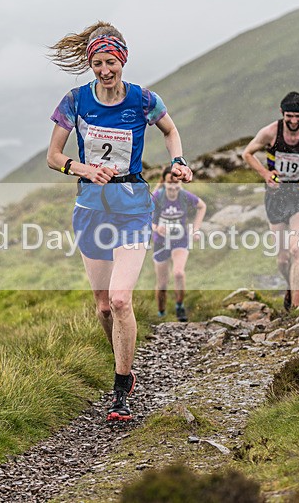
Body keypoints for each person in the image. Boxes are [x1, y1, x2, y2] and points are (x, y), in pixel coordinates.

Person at [46, 21, 192, 421]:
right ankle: (122, 362)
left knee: (120, 298)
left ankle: (120, 387)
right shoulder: (75, 101)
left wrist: (178, 161)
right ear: (90, 64)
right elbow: (54, 157)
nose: (104, 70)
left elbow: (171, 129)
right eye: (97, 63)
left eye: (110, 61)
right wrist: (83, 168)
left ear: (122, 60)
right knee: (102, 307)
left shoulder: (143, 100)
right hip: (91, 209)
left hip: (132, 208)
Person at [242, 91, 299, 311]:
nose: (293, 121)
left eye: (298, 117)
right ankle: (290, 283)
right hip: (276, 196)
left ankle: (295, 308)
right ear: (282, 113)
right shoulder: (270, 132)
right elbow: (248, 153)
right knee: (282, 259)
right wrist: (264, 174)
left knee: (297, 250)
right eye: (289, 116)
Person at [151, 166, 206, 322]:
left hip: (180, 240)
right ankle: (161, 313)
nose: (174, 187)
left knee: (179, 273)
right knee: (162, 284)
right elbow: (146, 215)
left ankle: (180, 307)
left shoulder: (184, 195)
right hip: (161, 242)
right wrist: (156, 228)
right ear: (164, 183)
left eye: (177, 183)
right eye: (170, 183)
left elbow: (202, 206)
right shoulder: (157, 196)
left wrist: (196, 230)